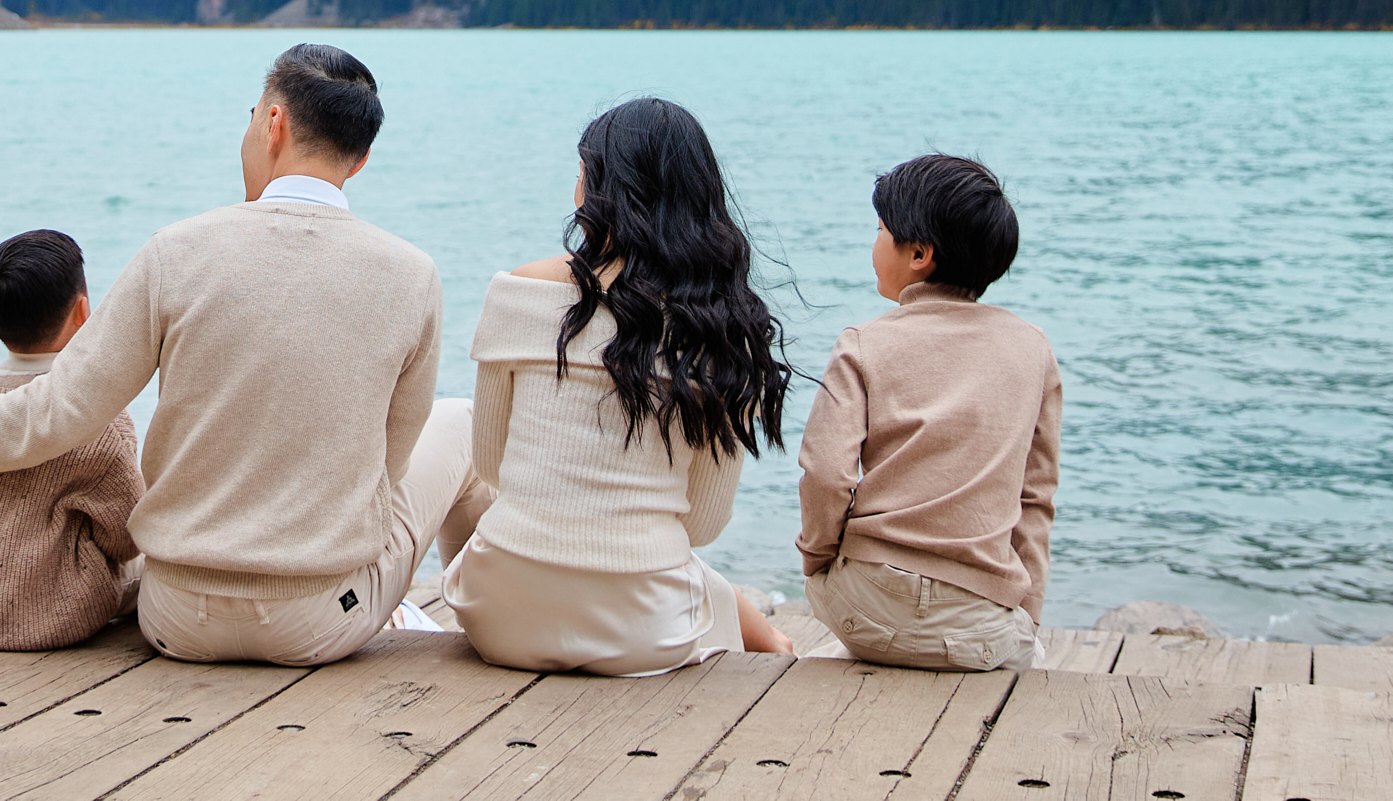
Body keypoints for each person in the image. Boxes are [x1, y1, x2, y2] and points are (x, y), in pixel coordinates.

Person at [0, 43, 487, 666]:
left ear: (273, 123)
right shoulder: (412, 275)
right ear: (362, 158)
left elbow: (62, 407)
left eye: (250, 114)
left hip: (175, 618)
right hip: (317, 625)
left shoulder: (174, 252)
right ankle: (479, 622)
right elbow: (390, 466)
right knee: (459, 422)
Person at [443, 98, 797, 673]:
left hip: (499, 618)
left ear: (594, 188)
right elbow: (703, 524)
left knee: (451, 420)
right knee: (667, 558)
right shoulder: (724, 327)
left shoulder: (519, 290)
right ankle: (768, 639)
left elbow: (489, 463)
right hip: (644, 634)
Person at [797, 154, 1059, 672]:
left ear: (918, 253)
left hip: (862, 603)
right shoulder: (1033, 349)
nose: (873, 244)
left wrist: (819, 560)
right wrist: (1026, 611)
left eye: (879, 231)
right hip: (980, 624)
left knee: (866, 623)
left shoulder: (862, 343)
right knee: (1031, 657)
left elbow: (826, 474)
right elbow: (1036, 493)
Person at [0, 228, 144, 650]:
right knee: (148, 570)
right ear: (83, 311)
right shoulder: (98, 416)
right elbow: (125, 535)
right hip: (62, 615)